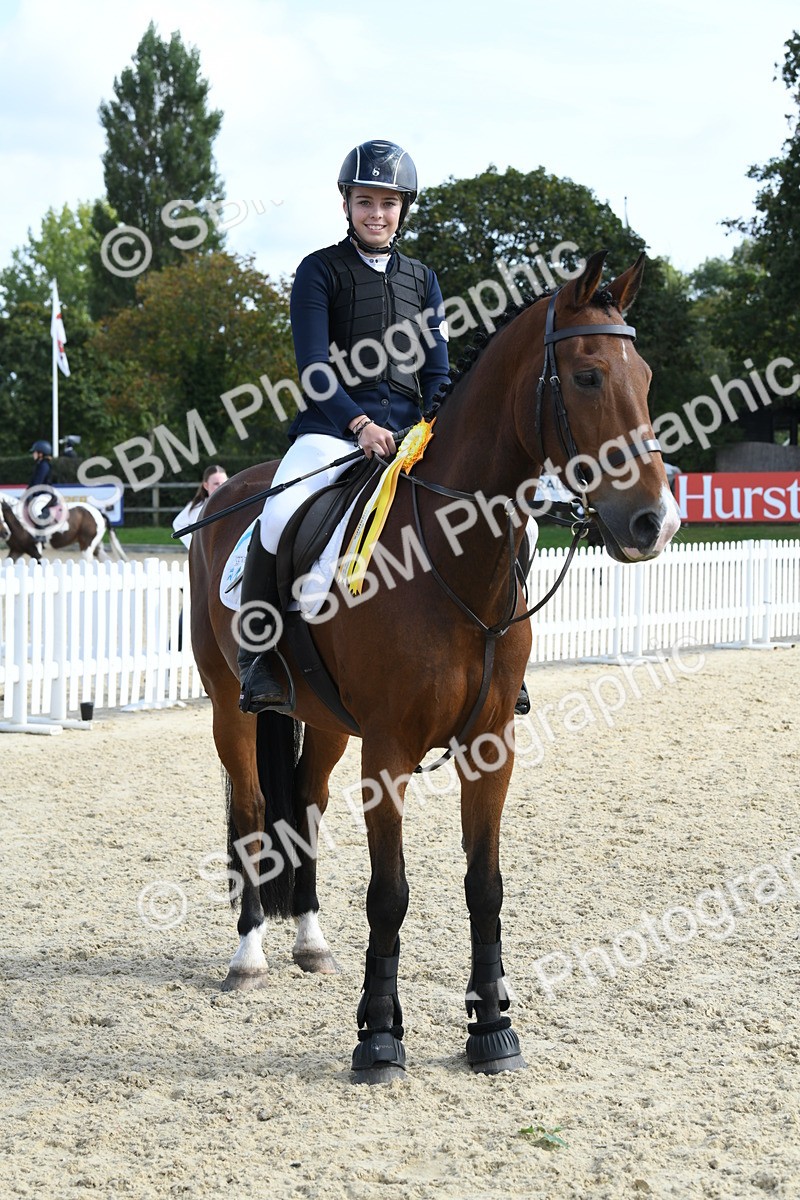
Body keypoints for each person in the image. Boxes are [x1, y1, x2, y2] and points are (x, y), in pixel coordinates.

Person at [238, 139, 450, 713]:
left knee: (505, 516)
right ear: (346, 205)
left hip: (410, 437)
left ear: (403, 207)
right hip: (333, 429)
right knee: (279, 515)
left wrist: (430, 423)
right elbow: (313, 367)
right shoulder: (318, 271)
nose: (376, 214)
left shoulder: (423, 279)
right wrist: (358, 424)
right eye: (364, 202)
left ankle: (497, 648)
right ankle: (260, 658)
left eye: (387, 202)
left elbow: (438, 370)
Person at [173, 464, 228, 549]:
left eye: (223, 483)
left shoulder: (235, 504)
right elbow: (178, 524)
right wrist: (194, 547)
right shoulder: (198, 507)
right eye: (216, 484)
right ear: (206, 485)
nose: (220, 487)